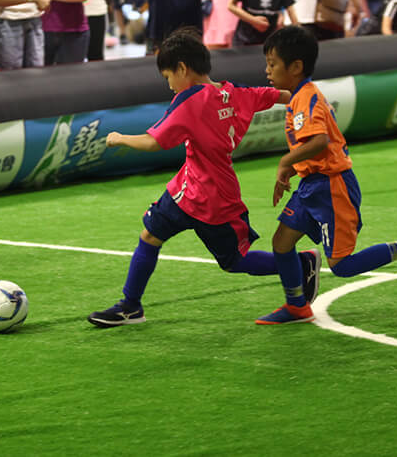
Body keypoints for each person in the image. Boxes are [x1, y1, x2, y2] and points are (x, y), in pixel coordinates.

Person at [87, 29, 318, 327]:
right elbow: (283, 95)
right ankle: (130, 305)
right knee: (150, 235)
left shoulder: (189, 100)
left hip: (212, 199)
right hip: (186, 190)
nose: (170, 85)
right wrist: (308, 102)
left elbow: (154, 141)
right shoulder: (236, 92)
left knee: (234, 262)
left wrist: (119, 138)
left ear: (183, 68)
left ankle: (301, 263)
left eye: (168, 77)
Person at [255, 25, 397, 324]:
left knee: (341, 265)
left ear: (295, 67)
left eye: (272, 64)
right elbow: (311, 146)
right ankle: (296, 306)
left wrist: (285, 162)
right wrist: (291, 170)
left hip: (331, 186)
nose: (267, 70)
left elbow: (319, 141)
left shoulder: (306, 97)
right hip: (312, 184)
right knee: (281, 242)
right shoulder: (299, 96)